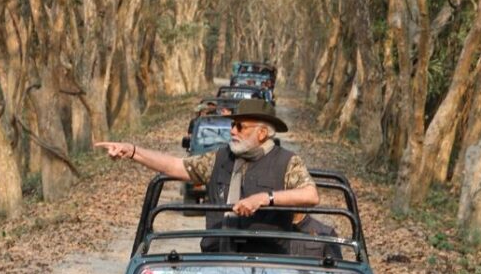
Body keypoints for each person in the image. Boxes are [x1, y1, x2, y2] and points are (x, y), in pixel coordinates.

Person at [95, 98, 319, 251]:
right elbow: (176, 166)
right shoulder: (220, 158)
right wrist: (133, 151)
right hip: (215, 262)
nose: (232, 131)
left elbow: (310, 195)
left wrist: (266, 198)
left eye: (240, 127)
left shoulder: (287, 161)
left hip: (267, 268)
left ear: (261, 133)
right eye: (232, 125)